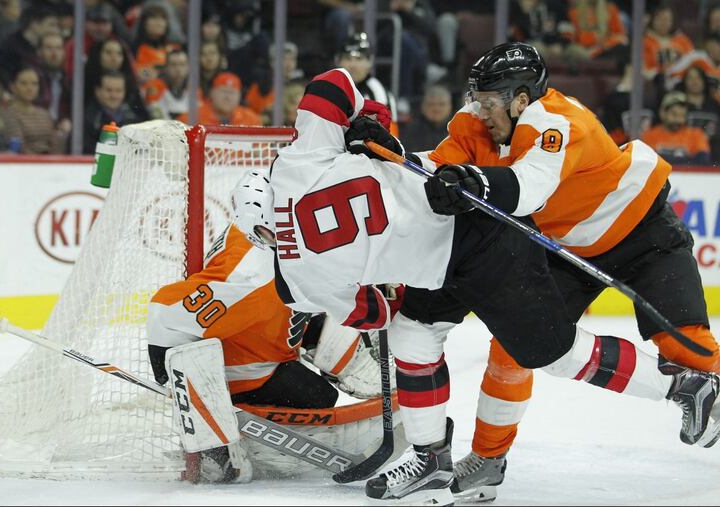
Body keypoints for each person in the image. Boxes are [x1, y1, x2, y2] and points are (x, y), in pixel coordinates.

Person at [255, 66, 720, 505]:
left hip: (495, 242)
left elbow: (372, 312)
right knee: (415, 334)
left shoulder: (299, 277)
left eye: (487, 101)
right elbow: (337, 86)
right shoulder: (300, 158)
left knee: (547, 352)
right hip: (447, 250)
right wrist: (368, 124)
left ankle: (683, 386)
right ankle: (431, 461)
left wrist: (381, 280)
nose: (477, 111)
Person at [420, 42, 720, 501]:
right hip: (572, 250)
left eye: (489, 101)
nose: (479, 111)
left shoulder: (556, 120)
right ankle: (488, 459)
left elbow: (529, 191)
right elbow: (431, 170)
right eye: (476, 99)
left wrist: (476, 182)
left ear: (522, 99)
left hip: (645, 234)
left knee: (692, 354)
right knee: (515, 345)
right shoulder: (476, 125)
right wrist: (381, 155)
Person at [146, 222, 388, 482]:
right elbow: (165, 311)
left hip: (263, 343)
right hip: (240, 377)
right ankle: (215, 450)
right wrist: (186, 392)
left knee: (319, 390)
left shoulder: (283, 241)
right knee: (316, 397)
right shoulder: (251, 279)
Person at [336, 32, 400, 135]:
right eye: (347, 58)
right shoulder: (330, 88)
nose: (353, 65)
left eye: (359, 59)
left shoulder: (378, 93)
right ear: (338, 61)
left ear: (370, 62)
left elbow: (390, 139)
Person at [2, 66, 70, 154]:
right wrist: (40, 163)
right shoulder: (10, 114)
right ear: (13, 87)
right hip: (26, 165)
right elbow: (19, 148)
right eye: (24, 83)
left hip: (50, 164)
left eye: (34, 84)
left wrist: (62, 135)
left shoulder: (44, 114)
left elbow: (54, 144)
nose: (30, 88)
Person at [83, 71, 145, 154]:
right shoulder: (87, 120)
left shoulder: (135, 119)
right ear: (98, 91)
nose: (114, 95)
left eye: (118, 91)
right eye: (109, 90)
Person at [177, 71, 261, 127]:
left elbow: (264, 151)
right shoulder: (190, 118)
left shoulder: (252, 120)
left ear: (239, 96)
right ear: (212, 93)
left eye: (232, 92)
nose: (227, 97)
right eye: (223, 91)